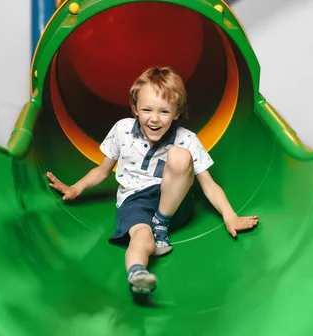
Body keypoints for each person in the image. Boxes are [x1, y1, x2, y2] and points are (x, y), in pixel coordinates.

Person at [46, 66, 258, 295]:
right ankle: (137, 274)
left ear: (177, 113)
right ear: (134, 109)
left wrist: (230, 216)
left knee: (179, 156)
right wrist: (76, 188)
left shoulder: (186, 139)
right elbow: (102, 170)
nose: (155, 119)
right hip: (135, 200)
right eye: (147, 110)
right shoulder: (122, 130)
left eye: (164, 112)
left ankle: (161, 221)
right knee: (141, 237)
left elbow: (208, 184)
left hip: (175, 202)